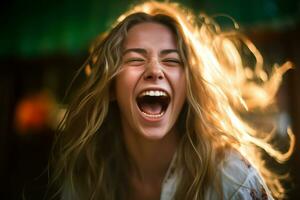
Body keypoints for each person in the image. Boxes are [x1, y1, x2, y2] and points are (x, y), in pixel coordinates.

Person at [49, 1, 295, 200]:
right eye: (135, 59)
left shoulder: (232, 179)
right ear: (111, 87)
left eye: (171, 60)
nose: (155, 70)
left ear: (188, 87)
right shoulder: (85, 179)